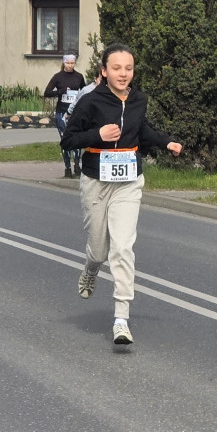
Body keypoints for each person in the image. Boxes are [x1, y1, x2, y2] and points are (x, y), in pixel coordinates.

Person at [61, 43, 182, 346]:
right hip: (95, 181)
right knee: (100, 250)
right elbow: (68, 139)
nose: (123, 73)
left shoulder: (139, 99)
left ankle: (121, 318)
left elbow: (143, 130)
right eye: (116, 68)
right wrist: (97, 135)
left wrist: (166, 143)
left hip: (129, 181)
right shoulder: (90, 102)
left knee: (123, 247)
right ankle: (91, 268)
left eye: (128, 68)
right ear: (104, 71)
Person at [45, 54, 87, 177]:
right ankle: (67, 167)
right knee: (65, 139)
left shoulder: (79, 76)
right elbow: (47, 92)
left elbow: (84, 92)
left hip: (75, 113)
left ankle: (77, 166)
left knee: (77, 138)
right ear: (64, 63)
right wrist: (59, 92)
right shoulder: (58, 77)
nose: (70, 65)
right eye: (68, 63)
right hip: (62, 112)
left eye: (72, 63)